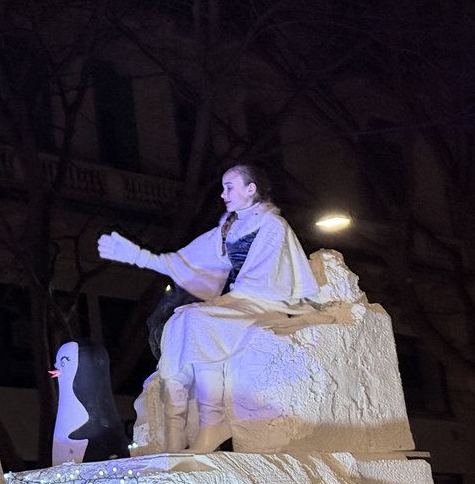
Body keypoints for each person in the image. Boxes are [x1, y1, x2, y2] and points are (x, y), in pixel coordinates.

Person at [97, 164, 320, 453]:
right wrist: (138, 256)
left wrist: (220, 302)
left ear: (251, 189)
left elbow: (259, 283)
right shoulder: (230, 226)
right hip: (240, 302)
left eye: (230, 186)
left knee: (198, 318)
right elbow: (187, 261)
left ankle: (212, 419)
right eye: (223, 186)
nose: (223, 193)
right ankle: (175, 431)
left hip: (263, 304)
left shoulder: (272, 226)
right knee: (178, 320)